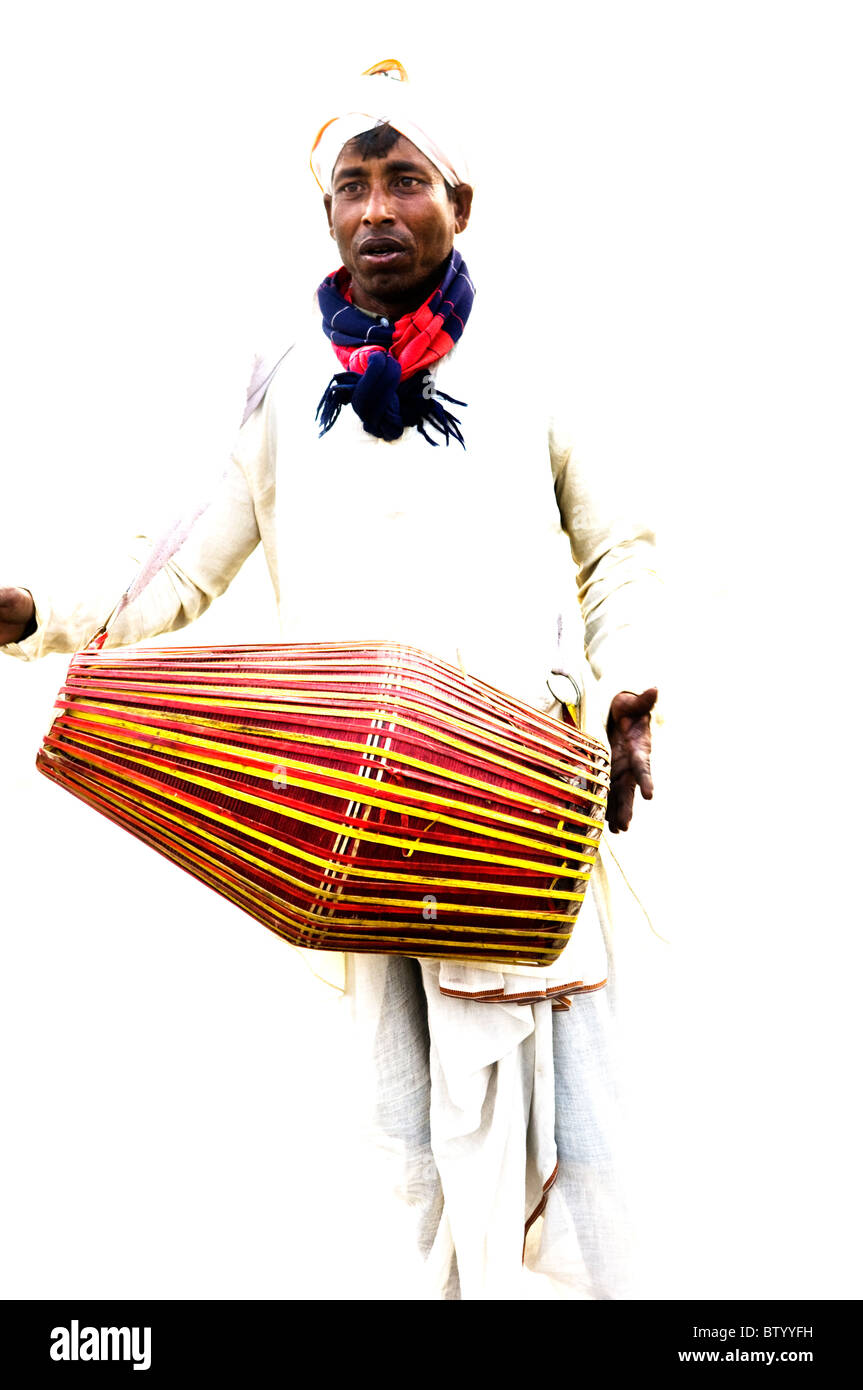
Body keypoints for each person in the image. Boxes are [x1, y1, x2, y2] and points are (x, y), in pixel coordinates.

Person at [0, 60, 659, 1299]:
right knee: (400, 1167)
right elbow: (170, 573)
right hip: (349, 826)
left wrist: (624, 693)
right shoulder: (283, 378)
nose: (373, 211)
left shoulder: (533, 352)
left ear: (459, 201)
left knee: (585, 1161)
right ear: (325, 216)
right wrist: (35, 610)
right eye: (349, 185)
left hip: (518, 812)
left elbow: (619, 544)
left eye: (402, 180)